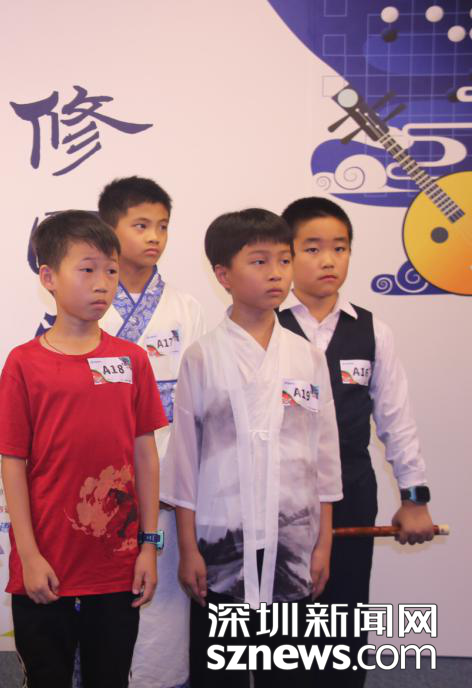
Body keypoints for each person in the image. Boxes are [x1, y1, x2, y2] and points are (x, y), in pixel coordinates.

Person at [162, 208, 341, 687]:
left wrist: (323, 543)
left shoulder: (307, 357)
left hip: (292, 538)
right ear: (223, 275)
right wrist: (188, 549)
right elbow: (184, 460)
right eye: (259, 261)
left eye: (284, 260)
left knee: (288, 668)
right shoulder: (202, 357)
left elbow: (324, 458)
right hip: (222, 539)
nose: (276, 273)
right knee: (221, 668)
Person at [0, 210, 166, 688]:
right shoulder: (24, 363)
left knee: (111, 678)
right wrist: (28, 555)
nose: (102, 283)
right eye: (87, 269)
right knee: (46, 678)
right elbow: (12, 464)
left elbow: (145, 456)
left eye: (110, 270)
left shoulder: (132, 360)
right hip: (46, 565)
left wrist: (149, 546)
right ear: (48, 277)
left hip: (117, 566)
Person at [278, 197, 432, 686]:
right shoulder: (264, 325)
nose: (328, 260)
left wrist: (414, 498)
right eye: (312, 248)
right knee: (281, 627)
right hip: (277, 495)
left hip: (351, 492)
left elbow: (396, 421)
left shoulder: (372, 331)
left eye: (340, 248)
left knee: (342, 618)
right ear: (286, 254)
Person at [97, 178, 206, 688]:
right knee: (103, 596)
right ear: (109, 229)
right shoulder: (86, 303)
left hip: (167, 468)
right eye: (141, 225)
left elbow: (199, 399)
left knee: (163, 607)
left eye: (162, 226)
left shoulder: (185, 308)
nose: (154, 237)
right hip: (102, 471)